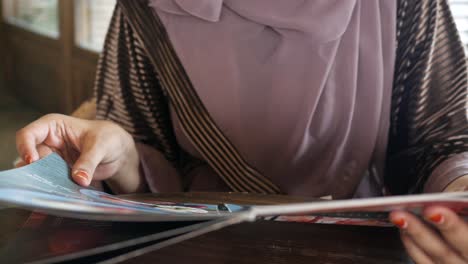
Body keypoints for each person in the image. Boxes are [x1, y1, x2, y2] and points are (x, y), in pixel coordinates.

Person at [15, 0, 468, 262]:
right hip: (198, 247)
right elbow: (134, 155)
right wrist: (119, 152)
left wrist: (460, 191)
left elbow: (439, 143)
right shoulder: (148, 7)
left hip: (363, 245)